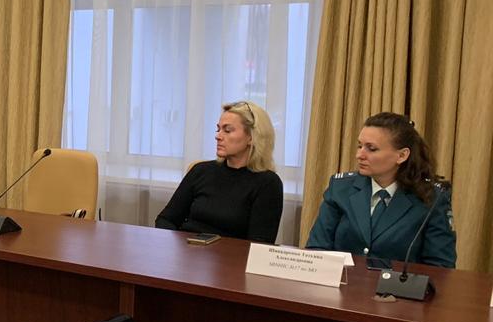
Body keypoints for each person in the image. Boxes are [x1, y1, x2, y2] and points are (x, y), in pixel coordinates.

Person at [306, 112, 456, 267]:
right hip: (344, 280)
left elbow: (440, 267)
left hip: (398, 283)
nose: (359, 155)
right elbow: (317, 249)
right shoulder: (341, 188)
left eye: (371, 149)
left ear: (402, 155)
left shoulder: (431, 197)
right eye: (360, 146)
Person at [155, 101, 284, 243]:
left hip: (228, 256)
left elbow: (259, 244)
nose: (218, 136)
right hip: (186, 250)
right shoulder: (200, 171)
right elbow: (165, 220)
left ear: (251, 137)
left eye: (227, 130)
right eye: (218, 129)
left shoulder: (267, 183)